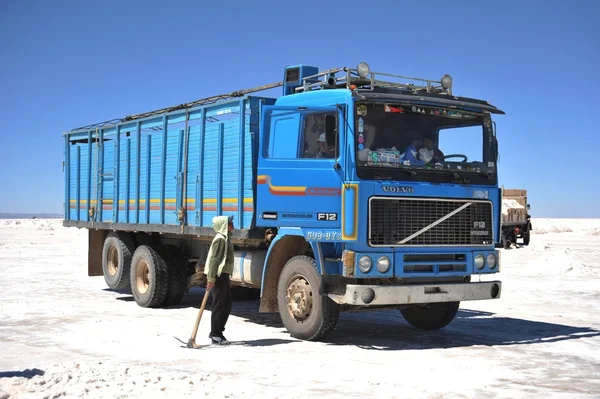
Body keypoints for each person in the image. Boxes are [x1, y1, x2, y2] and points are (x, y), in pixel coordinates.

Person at [203, 215, 234, 345]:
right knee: (219, 304)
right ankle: (215, 334)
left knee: (227, 304)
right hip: (218, 275)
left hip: (223, 275)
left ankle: (218, 332)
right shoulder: (220, 240)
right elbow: (214, 260)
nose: (233, 225)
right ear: (224, 226)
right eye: (230, 223)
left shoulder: (226, 238)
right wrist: (211, 278)